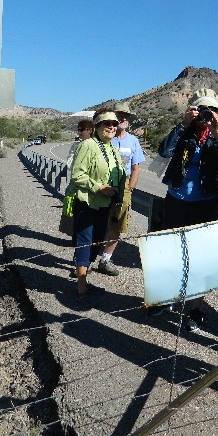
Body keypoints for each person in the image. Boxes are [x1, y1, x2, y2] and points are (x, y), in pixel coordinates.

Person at [149, 89, 218, 332]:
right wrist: (182, 125)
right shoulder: (184, 131)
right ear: (193, 111)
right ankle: (167, 300)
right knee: (172, 254)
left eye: (213, 110)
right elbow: (164, 152)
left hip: (205, 204)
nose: (208, 114)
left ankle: (196, 309)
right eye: (203, 109)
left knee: (202, 260)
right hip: (176, 200)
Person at [69, 110, 125, 303]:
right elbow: (77, 175)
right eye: (106, 123)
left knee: (97, 241)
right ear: (97, 127)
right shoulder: (88, 145)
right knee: (85, 242)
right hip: (88, 202)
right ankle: (81, 289)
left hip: (104, 205)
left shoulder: (113, 150)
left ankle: (84, 280)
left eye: (114, 124)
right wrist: (99, 187)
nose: (111, 127)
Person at [97, 102, 145, 276]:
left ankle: (105, 260)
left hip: (123, 185)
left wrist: (129, 188)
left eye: (127, 116)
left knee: (117, 224)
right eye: (120, 115)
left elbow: (135, 167)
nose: (124, 118)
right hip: (102, 182)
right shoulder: (104, 136)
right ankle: (83, 262)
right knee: (96, 220)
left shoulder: (133, 141)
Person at [62, 119, 94, 241]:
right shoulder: (76, 145)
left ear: (90, 130)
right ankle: (75, 239)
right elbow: (70, 164)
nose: (79, 132)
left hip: (90, 186)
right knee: (73, 213)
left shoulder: (97, 146)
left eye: (82, 130)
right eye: (78, 129)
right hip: (76, 185)